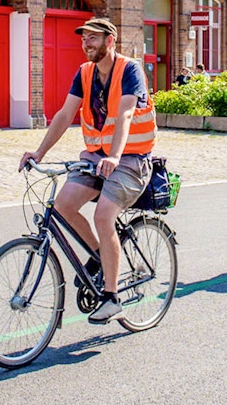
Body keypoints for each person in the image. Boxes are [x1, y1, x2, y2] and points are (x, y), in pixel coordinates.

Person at [20, 18, 155, 325]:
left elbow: (126, 114)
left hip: (131, 160)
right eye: (84, 38)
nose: (86, 43)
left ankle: (111, 296)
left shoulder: (129, 69)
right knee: (63, 206)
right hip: (96, 158)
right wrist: (38, 153)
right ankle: (98, 255)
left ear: (111, 41)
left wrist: (116, 156)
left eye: (93, 38)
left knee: (103, 215)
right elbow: (65, 113)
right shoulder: (84, 73)